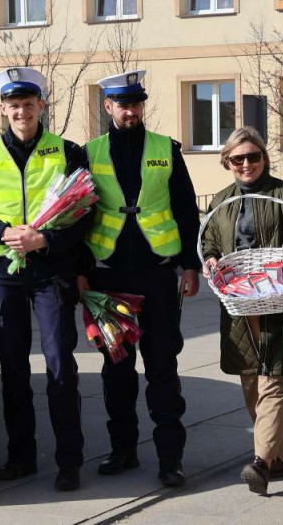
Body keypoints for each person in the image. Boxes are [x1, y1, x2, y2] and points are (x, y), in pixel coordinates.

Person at [0, 67, 89, 491]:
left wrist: (45, 240)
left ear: (41, 106)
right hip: (3, 274)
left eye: (28, 105)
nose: (21, 112)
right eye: (13, 106)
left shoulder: (67, 151)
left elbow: (86, 215)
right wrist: (3, 233)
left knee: (60, 367)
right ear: (2, 109)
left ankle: (69, 461)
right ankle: (22, 456)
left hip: (51, 273)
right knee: (12, 370)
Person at [77, 70, 201, 487]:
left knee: (163, 368)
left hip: (159, 277)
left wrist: (191, 265)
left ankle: (171, 459)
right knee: (117, 371)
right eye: (122, 104)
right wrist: (80, 273)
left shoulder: (166, 149)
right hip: (108, 278)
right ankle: (123, 451)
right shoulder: (88, 153)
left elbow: (186, 209)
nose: (130, 111)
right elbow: (78, 217)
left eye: (136, 104)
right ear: (107, 106)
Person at [200, 126, 283, 496]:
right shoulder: (222, 201)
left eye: (253, 157)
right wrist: (210, 260)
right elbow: (209, 241)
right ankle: (281, 457)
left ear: (264, 158)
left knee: (277, 380)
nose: (246, 164)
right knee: (251, 383)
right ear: (227, 162)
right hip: (240, 304)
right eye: (237, 159)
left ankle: (261, 463)